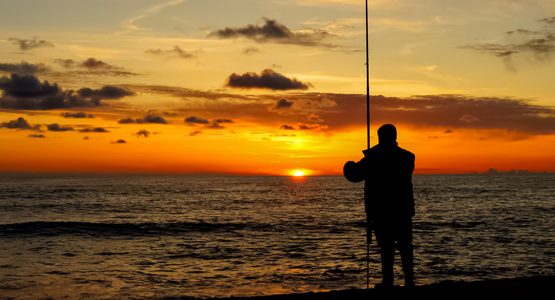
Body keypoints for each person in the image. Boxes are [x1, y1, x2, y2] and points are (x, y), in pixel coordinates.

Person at [356, 124, 415, 288]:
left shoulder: (374, 157)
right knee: (403, 246)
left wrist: (364, 159)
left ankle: (390, 281)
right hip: (402, 210)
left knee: (388, 247)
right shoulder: (407, 157)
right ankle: (408, 280)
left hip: (383, 210)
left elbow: (354, 174)